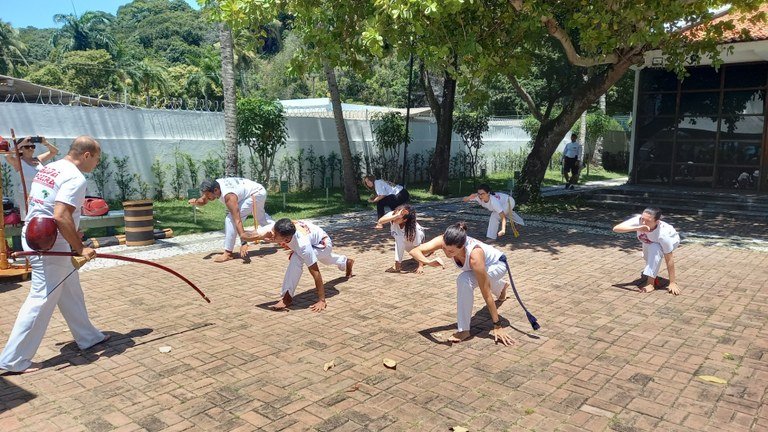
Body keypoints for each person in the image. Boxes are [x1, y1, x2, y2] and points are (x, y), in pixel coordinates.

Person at [0, 136, 108, 374]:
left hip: (37, 232)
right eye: (97, 159)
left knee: (69, 287)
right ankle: (13, 359)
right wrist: (80, 248)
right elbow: (61, 215)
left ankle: (87, 336)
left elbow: (47, 205)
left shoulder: (52, 167)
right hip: (50, 242)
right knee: (42, 297)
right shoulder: (75, 177)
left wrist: (72, 229)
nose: (96, 164)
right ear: (87, 155)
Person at [409, 222, 515, 346]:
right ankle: (501, 287)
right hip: (483, 266)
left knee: (465, 280)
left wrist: (497, 326)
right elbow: (414, 251)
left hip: (498, 265)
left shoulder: (474, 256)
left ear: (462, 246)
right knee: (475, 277)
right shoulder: (443, 240)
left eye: (451, 251)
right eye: (444, 248)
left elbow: (486, 293)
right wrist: (428, 262)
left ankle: (464, 330)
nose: (447, 253)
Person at [246, 218, 354, 312]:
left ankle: (286, 298)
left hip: (323, 244)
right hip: (314, 239)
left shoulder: (303, 246)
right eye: (273, 232)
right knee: (327, 260)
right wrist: (238, 225)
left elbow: (316, 273)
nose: (272, 234)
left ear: (287, 239)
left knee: (297, 258)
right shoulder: (279, 226)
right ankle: (345, 261)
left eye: (275, 235)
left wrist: (322, 300)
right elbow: (247, 235)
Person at [189, 178, 273, 263]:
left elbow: (237, 220)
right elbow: (203, 200)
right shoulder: (213, 186)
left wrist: (244, 242)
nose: (207, 197)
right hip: (257, 190)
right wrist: (196, 201)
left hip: (256, 193)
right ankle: (279, 230)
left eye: (208, 195)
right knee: (261, 218)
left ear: (215, 190)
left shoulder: (229, 196)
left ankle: (228, 253)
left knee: (230, 219)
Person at [612, 207, 681, 295]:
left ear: (657, 221)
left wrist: (672, 283)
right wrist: (637, 228)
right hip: (649, 241)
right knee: (647, 257)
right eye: (642, 219)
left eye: (647, 221)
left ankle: (650, 284)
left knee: (654, 249)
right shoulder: (639, 221)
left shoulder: (663, 235)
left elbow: (669, 258)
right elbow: (616, 228)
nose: (643, 222)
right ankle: (652, 274)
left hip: (672, 240)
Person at [4, 136, 59, 218]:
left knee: (42, 218)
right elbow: (7, 155)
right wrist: (21, 143)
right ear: (20, 149)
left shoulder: (38, 159)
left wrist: (45, 143)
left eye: (32, 146)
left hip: (41, 194)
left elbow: (54, 151)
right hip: (26, 195)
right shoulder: (18, 161)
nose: (30, 149)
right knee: (29, 219)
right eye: (27, 147)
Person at [377, 204, 426, 273]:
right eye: (395, 215)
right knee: (399, 240)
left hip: (416, 243)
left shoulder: (414, 230)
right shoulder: (394, 215)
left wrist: (420, 266)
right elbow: (380, 221)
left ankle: (429, 251)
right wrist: (396, 216)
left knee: (417, 253)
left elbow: (418, 247)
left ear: (405, 220)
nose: (394, 219)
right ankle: (397, 265)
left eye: (398, 218)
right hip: (403, 241)